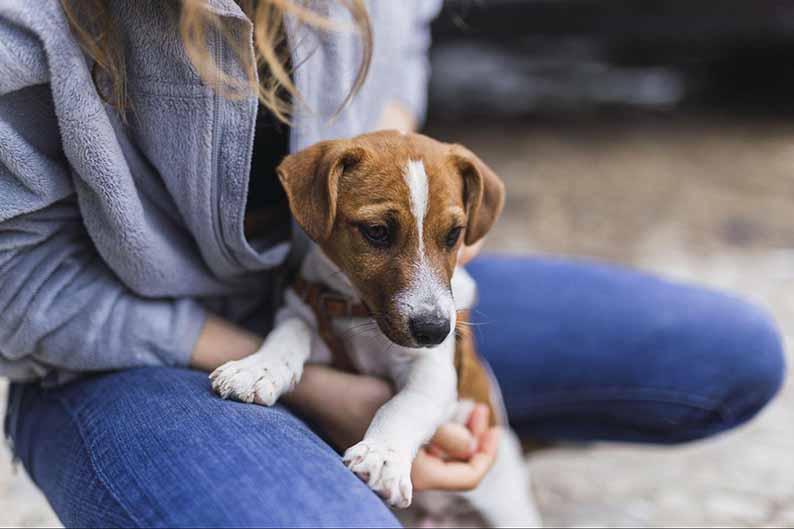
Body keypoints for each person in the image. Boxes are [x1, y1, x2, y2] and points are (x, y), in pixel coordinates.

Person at [0, 1, 786, 527]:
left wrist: (419, 181)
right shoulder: (30, 24)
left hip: (356, 304)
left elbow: (403, 47)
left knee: (730, 354)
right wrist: (317, 390)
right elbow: (18, 290)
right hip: (126, 353)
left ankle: (466, 436)